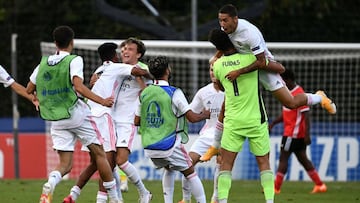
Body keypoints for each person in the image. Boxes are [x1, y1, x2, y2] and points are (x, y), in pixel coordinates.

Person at [201, 3, 336, 161]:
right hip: (242, 64)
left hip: (260, 65)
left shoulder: (249, 33)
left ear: (235, 19)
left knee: (290, 103)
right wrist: (217, 57)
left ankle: (320, 97)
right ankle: (215, 146)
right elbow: (225, 43)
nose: (222, 25)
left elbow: (260, 61)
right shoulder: (228, 30)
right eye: (220, 21)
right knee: (225, 105)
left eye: (225, 20)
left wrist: (239, 72)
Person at [26, 25, 119, 203]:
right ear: (71, 42)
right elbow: (78, 86)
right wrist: (102, 101)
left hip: (56, 119)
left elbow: (30, 88)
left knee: (65, 164)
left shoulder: (43, 63)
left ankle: (50, 184)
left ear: (55, 43)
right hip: (76, 114)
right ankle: (114, 198)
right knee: (100, 154)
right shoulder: (74, 60)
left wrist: (39, 99)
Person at [63, 42, 152, 203]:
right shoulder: (116, 67)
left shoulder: (135, 67)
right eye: (123, 48)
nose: (125, 51)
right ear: (116, 55)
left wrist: (151, 76)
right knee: (104, 161)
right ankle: (106, 198)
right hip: (107, 118)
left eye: (129, 49)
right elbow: (93, 83)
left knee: (116, 161)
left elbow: (148, 90)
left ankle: (141, 192)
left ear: (138, 55)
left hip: (125, 121)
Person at [208, 28, 274, 203]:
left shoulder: (218, 65)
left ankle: (222, 201)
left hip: (233, 120)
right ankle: (269, 201)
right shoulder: (250, 58)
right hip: (255, 119)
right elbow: (274, 66)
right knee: (264, 164)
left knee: (226, 164)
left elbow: (222, 87)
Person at [134, 56, 210, 203]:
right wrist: (204, 115)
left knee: (169, 168)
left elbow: (137, 121)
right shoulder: (174, 92)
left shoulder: (144, 93)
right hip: (168, 145)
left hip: (149, 147)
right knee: (190, 172)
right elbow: (192, 118)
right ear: (167, 71)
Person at [269, 68, 327, 194]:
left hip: (292, 134)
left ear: (288, 80)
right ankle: (320, 185)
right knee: (303, 160)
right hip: (296, 135)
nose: (282, 84)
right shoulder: (288, 93)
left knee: (283, 159)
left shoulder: (299, 93)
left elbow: (306, 115)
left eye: (283, 81)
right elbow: (286, 114)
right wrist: (273, 123)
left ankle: (276, 188)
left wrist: (307, 135)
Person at [178, 63, 224, 203]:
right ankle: (186, 199)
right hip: (207, 135)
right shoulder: (203, 92)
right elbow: (191, 113)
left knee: (221, 165)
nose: (213, 73)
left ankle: (215, 198)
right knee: (187, 164)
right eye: (211, 70)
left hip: (226, 134)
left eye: (215, 70)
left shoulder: (231, 91)